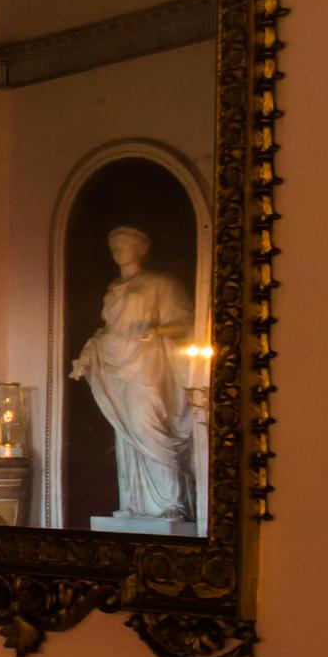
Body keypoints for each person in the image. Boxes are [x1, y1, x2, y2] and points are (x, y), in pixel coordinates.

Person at [70, 222, 197, 526]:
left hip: (148, 366)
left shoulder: (161, 283)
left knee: (147, 425)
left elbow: (184, 322)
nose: (118, 250)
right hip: (116, 366)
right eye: (114, 244)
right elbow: (109, 330)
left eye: (124, 243)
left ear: (142, 248)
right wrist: (89, 352)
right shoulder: (114, 288)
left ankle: (172, 503)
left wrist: (156, 331)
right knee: (125, 433)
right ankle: (136, 503)